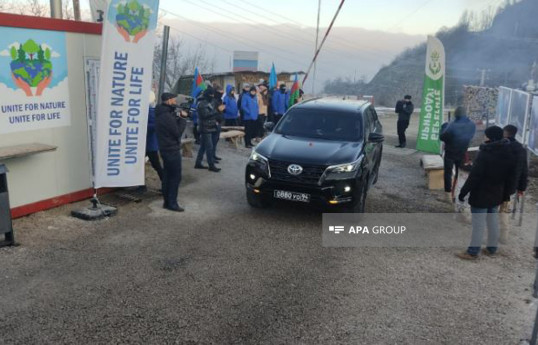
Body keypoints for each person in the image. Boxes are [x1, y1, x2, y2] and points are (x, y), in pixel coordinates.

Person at [457, 126, 516, 260]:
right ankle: (492, 248)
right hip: (497, 193)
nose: (484, 137)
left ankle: (472, 251)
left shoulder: (485, 153)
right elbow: (510, 177)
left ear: (491, 137)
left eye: (486, 135)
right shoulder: (509, 152)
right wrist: (505, 194)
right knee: (492, 221)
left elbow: (475, 176)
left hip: (481, 193)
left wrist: (463, 192)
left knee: (478, 224)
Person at [155, 93, 188, 212]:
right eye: (174, 100)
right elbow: (177, 132)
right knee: (175, 177)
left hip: (165, 147)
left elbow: (171, 128)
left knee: (168, 175)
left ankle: (167, 201)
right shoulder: (166, 116)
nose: (175, 102)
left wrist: (177, 117)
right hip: (171, 149)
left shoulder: (163, 113)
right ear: (168, 101)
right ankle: (172, 203)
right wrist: (183, 118)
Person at [499, 125, 529, 243]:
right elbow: (524, 170)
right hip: (511, 186)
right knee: (505, 210)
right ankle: (504, 236)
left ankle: (491, 231)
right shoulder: (521, 149)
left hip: (498, 183)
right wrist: (521, 187)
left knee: (491, 208)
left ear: (506, 133)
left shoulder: (502, 146)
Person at [440, 106, 476, 201]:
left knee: (448, 172)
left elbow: (443, 137)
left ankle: (448, 194)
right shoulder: (472, 124)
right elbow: (471, 136)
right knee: (457, 172)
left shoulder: (452, 125)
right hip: (462, 151)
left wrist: (443, 128)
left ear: (455, 114)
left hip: (450, 151)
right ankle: (454, 193)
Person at [195, 86, 222, 172]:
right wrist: (216, 111)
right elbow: (205, 115)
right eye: (211, 94)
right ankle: (211, 165)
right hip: (205, 127)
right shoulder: (202, 103)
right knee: (209, 147)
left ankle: (198, 163)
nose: (212, 96)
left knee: (203, 146)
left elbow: (213, 111)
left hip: (210, 126)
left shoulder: (210, 101)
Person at [146, 106, 164, 182]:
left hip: (149, 145)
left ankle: (165, 184)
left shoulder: (150, 112)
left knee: (156, 165)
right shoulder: (151, 111)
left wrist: (143, 126)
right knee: (156, 165)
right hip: (149, 144)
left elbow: (154, 126)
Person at [212, 84, 224, 162]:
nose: (222, 93)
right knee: (213, 140)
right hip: (214, 122)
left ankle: (213, 155)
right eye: (220, 91)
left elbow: (220, 110)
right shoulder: (213, 100)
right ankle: (211, 157)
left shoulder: (220, 100)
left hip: (219, 121)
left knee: (216, 140)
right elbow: (213, 111)